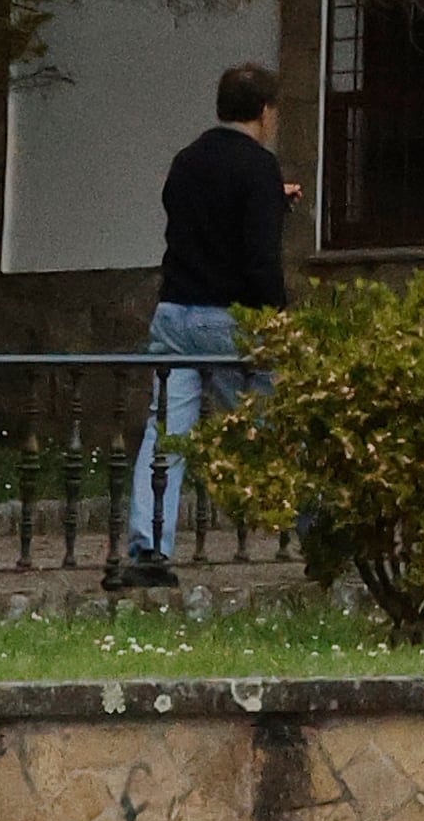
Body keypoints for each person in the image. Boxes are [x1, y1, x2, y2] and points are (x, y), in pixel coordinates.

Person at [117, 54, 297, 585]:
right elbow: (259, 258)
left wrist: (270, 201)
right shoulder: (259, 167)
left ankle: (149, 549)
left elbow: (203, 223)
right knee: (280, 427)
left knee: (166, 435)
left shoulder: (186, 161)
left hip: (175, 315)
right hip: (229, 321)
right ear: (264, 111)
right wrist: (278, 321)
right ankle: (325, 532)